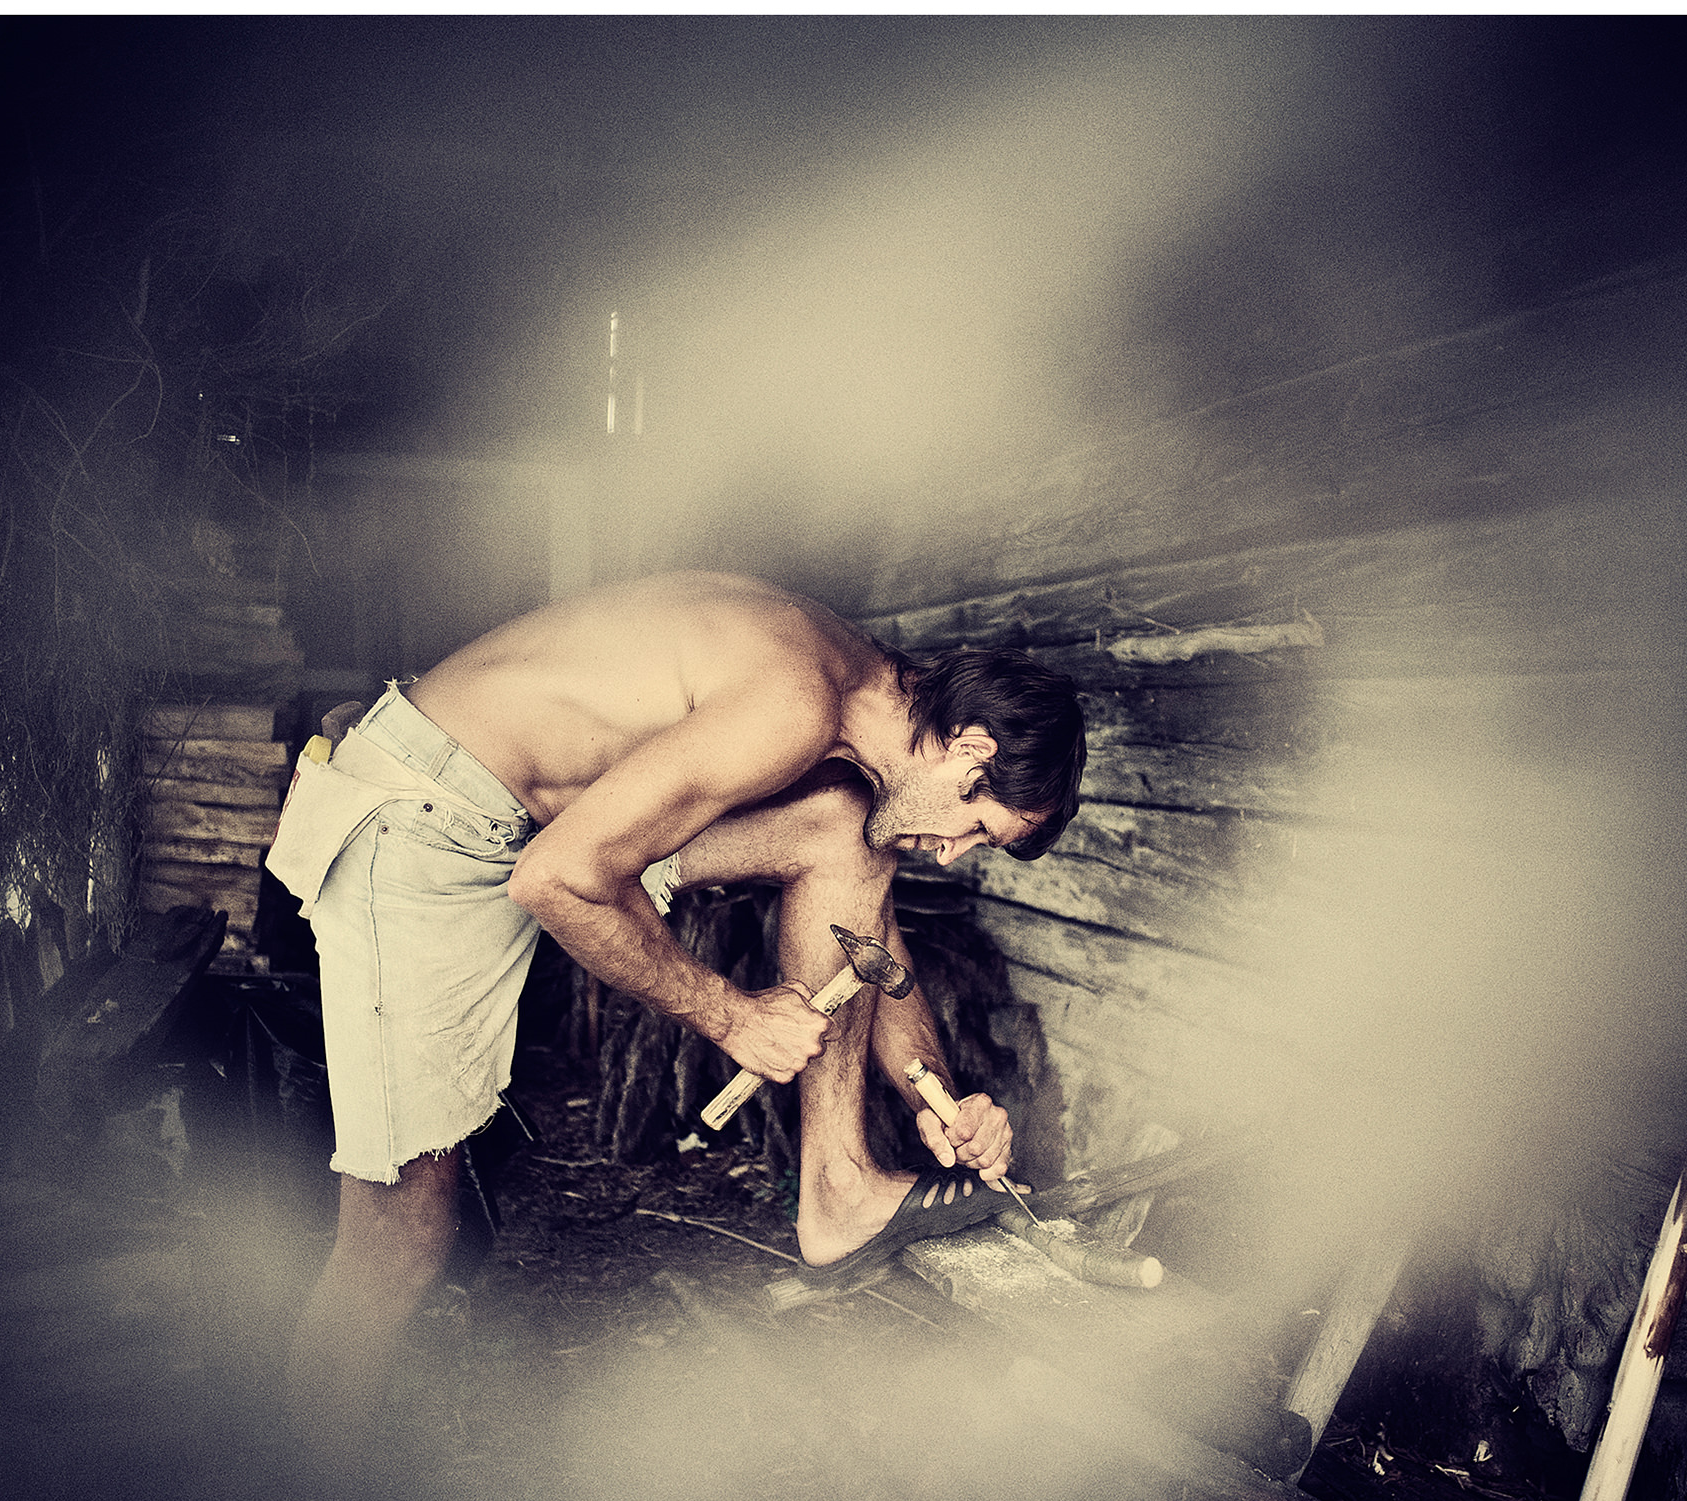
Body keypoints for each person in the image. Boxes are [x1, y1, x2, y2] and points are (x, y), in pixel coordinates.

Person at [268, 570, 1085, 1451]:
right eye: (978, 829)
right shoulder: (795, 705)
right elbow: (557, 878)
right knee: (401, 1232)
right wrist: (734, 1016)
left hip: (531, 819)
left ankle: (838, 1188)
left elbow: (871, 949)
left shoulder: (859, 705)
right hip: (427, 811)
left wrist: (943, 1102)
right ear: (969, 751)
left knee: (845, 839)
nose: (955, 855)